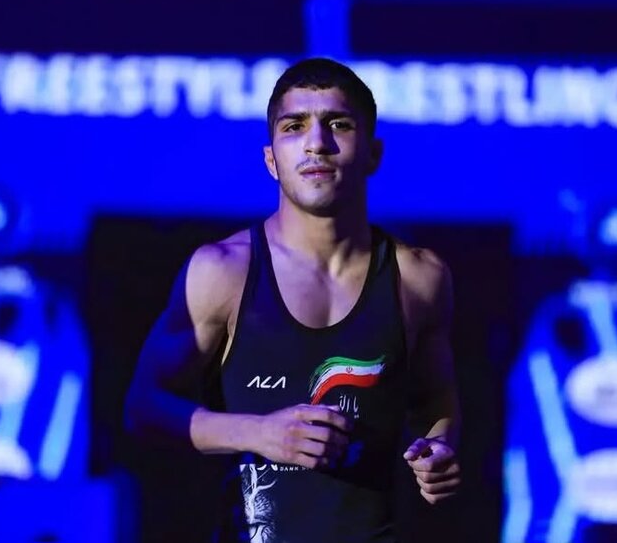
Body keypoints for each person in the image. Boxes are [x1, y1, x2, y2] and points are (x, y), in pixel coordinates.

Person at [125, 57, 461, 543]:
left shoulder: (419, 279)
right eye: (294, 126)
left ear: (373, 154)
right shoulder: (223, 272)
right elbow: (143, 407)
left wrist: (439, 449)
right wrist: (258, 433)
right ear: (271, 160)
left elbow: (436, 399)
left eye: (338, 124)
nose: (316, 143)